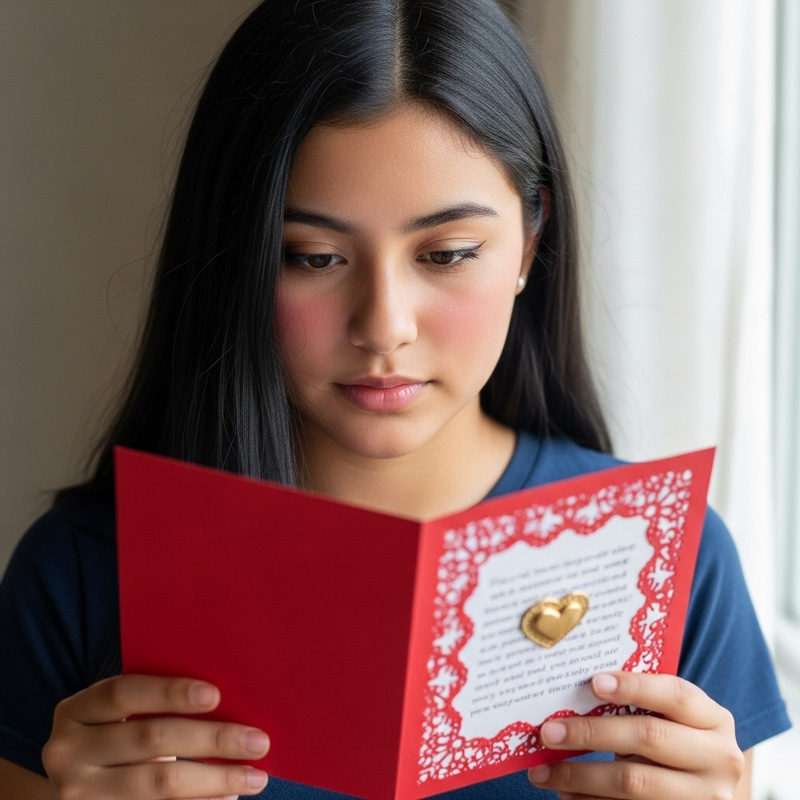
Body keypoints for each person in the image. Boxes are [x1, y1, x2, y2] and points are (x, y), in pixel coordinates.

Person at [0, 0, 790, 798]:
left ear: (530, 241)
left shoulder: (669, 568)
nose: (384, 327)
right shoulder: (81, 572)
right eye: (312, 257)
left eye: (446, 253)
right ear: (236, 260)